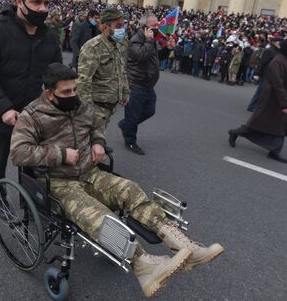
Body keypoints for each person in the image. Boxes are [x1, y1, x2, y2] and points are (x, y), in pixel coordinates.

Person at [11, 63, 224, 298]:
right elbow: (19, 153)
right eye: (66, 92)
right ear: (50, 93)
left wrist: (98, 142)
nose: (73, 95)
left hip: (90, 173)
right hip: (58, 183)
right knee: (98, 215)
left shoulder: (80, 105)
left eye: (74, 89)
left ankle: (183, 246)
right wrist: (60, 154)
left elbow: (96, 126)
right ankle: (144, 266)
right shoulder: (33, 115)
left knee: (130, 190)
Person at [0, 0, 62, 191]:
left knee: (33, 163)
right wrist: (4, 108)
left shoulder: (49, 36)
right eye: (36, 2)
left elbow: (55, 74)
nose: (42, 8)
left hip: (33, 115)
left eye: (46, 3)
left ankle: (31, 204)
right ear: (19, 1)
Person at [228, 38, 287, 163]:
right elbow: (277, 84)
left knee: (279, 126)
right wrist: (284, 103)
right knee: (257, 122)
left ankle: (275, 151)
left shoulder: (286, 59)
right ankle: (235, 132)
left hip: (280, 99)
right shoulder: (278, 61)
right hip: (272, 100)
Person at [77, 8, 129, 132]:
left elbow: (121, 70)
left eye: (123, 25)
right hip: (96, 107)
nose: (122, 29)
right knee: (90, 143)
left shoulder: (118, 44)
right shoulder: (93, 47)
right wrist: (87, 111)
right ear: (105, 27)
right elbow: (83, 81)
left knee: (99, 139)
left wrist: (125, 91)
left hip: (110, 107)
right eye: (118, 26)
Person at [118, 12, 159, 155]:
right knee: (133, 115)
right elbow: (142, 56)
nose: (157, 27)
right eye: (154, 25)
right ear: (145, 27)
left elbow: (154, 59)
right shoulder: (136, 40)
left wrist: (168, 48)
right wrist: (149, 41)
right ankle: (130, 141)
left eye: (157, 24)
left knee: (150, 110)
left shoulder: (151, 40)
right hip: (136, 84)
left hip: (148, 84)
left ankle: (125, 125)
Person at [247, 35, 282, 112]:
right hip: (265, 74)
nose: (280, 43)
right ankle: (252, 106)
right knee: (260, 91)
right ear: (275, 42)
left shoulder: (279, 52)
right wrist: (257, 73)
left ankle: (258, 106)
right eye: (279, 42)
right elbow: (262, 62)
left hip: (271, 75)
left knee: (265, 92)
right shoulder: (269, 50)